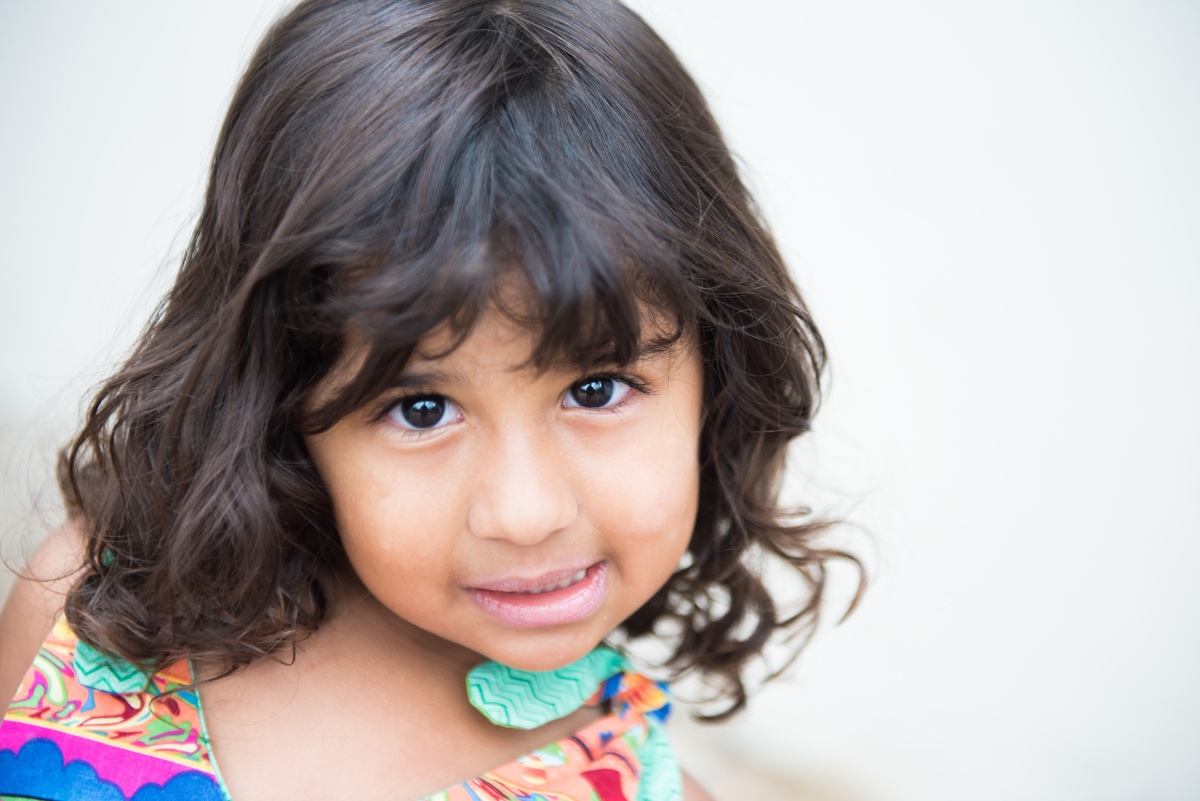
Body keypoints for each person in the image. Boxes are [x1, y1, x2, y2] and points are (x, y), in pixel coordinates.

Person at [0, 1, 861, 798]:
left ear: (721, 378)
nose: (524, 512)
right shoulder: (92, 620)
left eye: (597, 389)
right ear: (279, 400)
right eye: (419, 409)